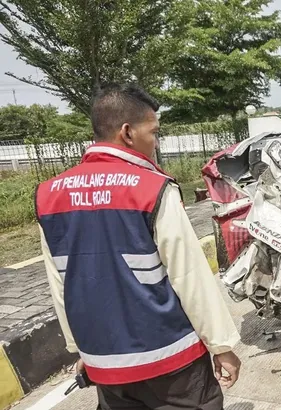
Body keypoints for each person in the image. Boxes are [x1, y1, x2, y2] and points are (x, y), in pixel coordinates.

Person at [35, 84, 241, 410]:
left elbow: (61, 284)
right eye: (154, 132)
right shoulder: (153, 189)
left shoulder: (48, 196)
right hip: (172, 361)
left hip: (106, 363)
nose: (156, 142)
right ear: (128, 133)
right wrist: (222, 345)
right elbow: (190, 277)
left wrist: (83, 350)